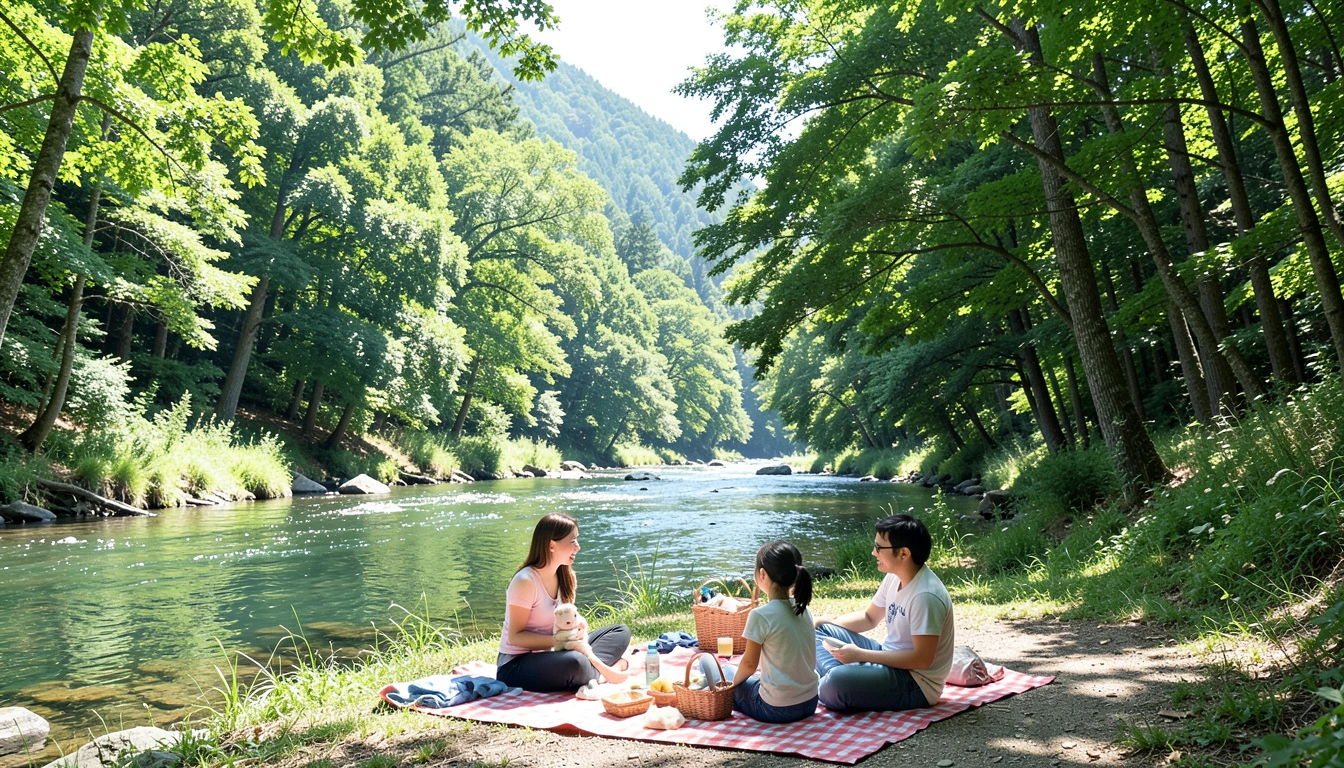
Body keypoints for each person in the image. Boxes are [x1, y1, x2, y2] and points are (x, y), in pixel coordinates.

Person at [813, 513, 955, 712]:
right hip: (887, 656)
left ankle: (836, 680)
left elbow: (922, 659)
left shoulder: (926, 595)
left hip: (915, 683)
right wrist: (824, 621)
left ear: (903, 553)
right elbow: (869, 618)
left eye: (879, 547)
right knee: (818, 631)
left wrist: (861, 655)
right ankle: (846, 678)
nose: (873, 552)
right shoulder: (894, 577)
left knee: (836, 684)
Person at [495, 513, 631, 692]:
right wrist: (559, 642)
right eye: (573, 541)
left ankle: (592, 672)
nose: (578, 547)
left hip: (557, 652)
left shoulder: (566, 577)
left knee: (620, 631)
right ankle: (608, 671)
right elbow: (515, 637)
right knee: (576, 662)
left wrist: (579, 624)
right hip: (516, 666)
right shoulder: (525, 581)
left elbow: (566, 619)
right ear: (552, 545)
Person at [698, 540, 819, 723]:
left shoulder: (760, 615)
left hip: (775, 708)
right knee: (734, 674)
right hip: (810, 702)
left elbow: (748, 665)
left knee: (714, 666)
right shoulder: (804, 610)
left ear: (762, 574)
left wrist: (729, 686)